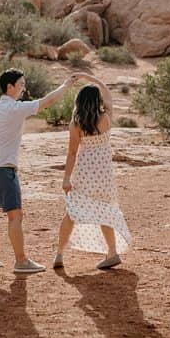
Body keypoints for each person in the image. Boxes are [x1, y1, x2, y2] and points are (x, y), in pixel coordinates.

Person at [0, 69, 78, 273]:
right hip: (4, 169)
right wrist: (66, 85)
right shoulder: (15, 108)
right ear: (9, 87)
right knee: (15, 216)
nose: (24, 88)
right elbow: (46, 102)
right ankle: (21, 261)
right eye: (21, 84)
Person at [53, 73, 132, 271]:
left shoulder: (76, 124)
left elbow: (72, 153)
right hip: (104, 174)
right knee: (105, 212)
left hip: (84, 173)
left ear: (79, 102)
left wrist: (66, 179)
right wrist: (90, 78)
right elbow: (106, 90)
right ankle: (112, 252)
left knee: (71, 213)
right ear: (97, 101)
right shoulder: (106, 117)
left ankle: (60, 254)